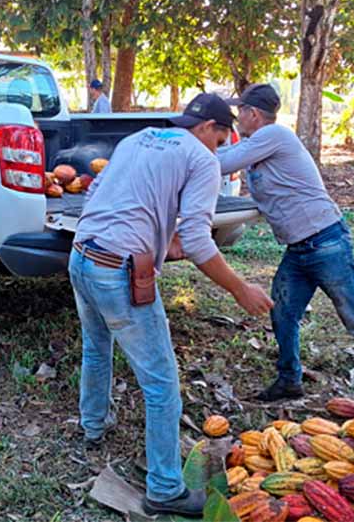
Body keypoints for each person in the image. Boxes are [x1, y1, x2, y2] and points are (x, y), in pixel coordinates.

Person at [69, 93, 274, 517]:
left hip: (82, 253)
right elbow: (200, 239)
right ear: (208, 130)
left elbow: (113, 197)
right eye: (221, 139)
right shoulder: (201, 159)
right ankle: (164, 487)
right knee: (161, 384)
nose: (218, 148)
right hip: (119, 270)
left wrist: (159, 239)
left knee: (96, 345)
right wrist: (240, 289)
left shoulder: (139, 138)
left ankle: (92, 426)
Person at [217, 83, 354, 402]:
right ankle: (290, 380)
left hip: (324, 242)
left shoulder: (274, 136)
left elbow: (222, 161)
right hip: (301, 248)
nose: (236, 119)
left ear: (254, 114)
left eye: (240, 112)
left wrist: (188, 150)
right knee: (284, 312)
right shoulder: (259, 148)